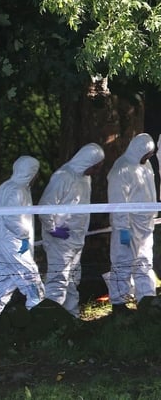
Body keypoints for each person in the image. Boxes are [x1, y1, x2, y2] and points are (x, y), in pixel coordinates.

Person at [38, 143, 105, 318]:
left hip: (76, 238)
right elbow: (45, 205)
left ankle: (71, 317)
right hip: (59, 239)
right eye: (95, 167)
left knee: (72, 280)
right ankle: (50, 320)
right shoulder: (63, 176)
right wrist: (53, 228)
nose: (96, 171)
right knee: (58, 280)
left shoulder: (85, 178)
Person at [105, 133, 158, 313]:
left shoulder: (145, 165)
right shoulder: (122, 169)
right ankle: (119, 303)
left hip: (145, 225)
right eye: (147, 154)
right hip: (128, 225)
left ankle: (146, 298)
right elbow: (118, 201)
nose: (149, 157)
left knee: (144, 261)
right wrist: (122, 228)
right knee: (123, 262)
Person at [0, 155, 45, 315]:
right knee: (32, 281)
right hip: (14, 242)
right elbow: (11, 218)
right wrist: (24, 235)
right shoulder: (17, 190)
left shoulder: (4, 187)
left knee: (3, 284)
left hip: (0, 241)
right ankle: (38, 321)